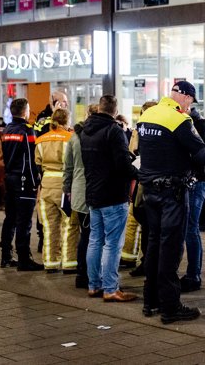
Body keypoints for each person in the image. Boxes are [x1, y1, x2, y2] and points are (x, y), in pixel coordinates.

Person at [137, 81, 205, 323]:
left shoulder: (147, 114)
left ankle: (151, 301)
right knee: (171, 248)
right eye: (190, 100)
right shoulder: (179, 120)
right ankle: (170, 306)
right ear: (186, 97)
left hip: (150, 191)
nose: (190, 104)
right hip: (173, 193)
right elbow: (203, 154)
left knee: (154, 245)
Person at [80, 95, 139, 302]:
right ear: (115, 110)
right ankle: (110, 288)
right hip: (113, 194)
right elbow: (122, 164)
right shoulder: (113, 131)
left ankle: (93, 285)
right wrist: (137, 172)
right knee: (112, 244)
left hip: (94, 193)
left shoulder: (85, 131)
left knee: (95, 240)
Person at [0, 98, 44, 271]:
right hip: (24, 180)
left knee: (10, 218)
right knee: (24, 221)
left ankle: (6, 255)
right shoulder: (27, 131)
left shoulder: (7, 130)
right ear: (25, 111)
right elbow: (30, 160)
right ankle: (24, 258)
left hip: (10, 178)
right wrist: (34, 182)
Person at [35, 108, 76, 273]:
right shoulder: (70, 138)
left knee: (49, 227)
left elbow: (37, 164)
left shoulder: (41, 140)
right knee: (69, 225)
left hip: (46, 187)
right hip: (65, 187)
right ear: (67, 121)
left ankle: (51, 263)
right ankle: (69, 263)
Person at [63, 103, 98, 289]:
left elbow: (67, 166)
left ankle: (82, 274)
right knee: (96, 236)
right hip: (97, 191)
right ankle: (93, 275)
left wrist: (67, 189)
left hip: (78, 192)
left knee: (85, 235)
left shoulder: (75, 136)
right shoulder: (101, 135)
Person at [122, 100, 158, 278]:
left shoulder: (140, 129)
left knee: (144, 222)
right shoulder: (164, 129)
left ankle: (146, 263)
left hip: (144, 182)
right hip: (162, 184)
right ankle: (153, 263)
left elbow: (132, 151)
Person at [180, 106, 205, 292]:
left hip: (197, 183)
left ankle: (194, 275)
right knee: (188, 229)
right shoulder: (192, 125)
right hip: (192, 182)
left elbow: (202, 157)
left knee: (190, 229)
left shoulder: (199, 126)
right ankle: (192, 274)